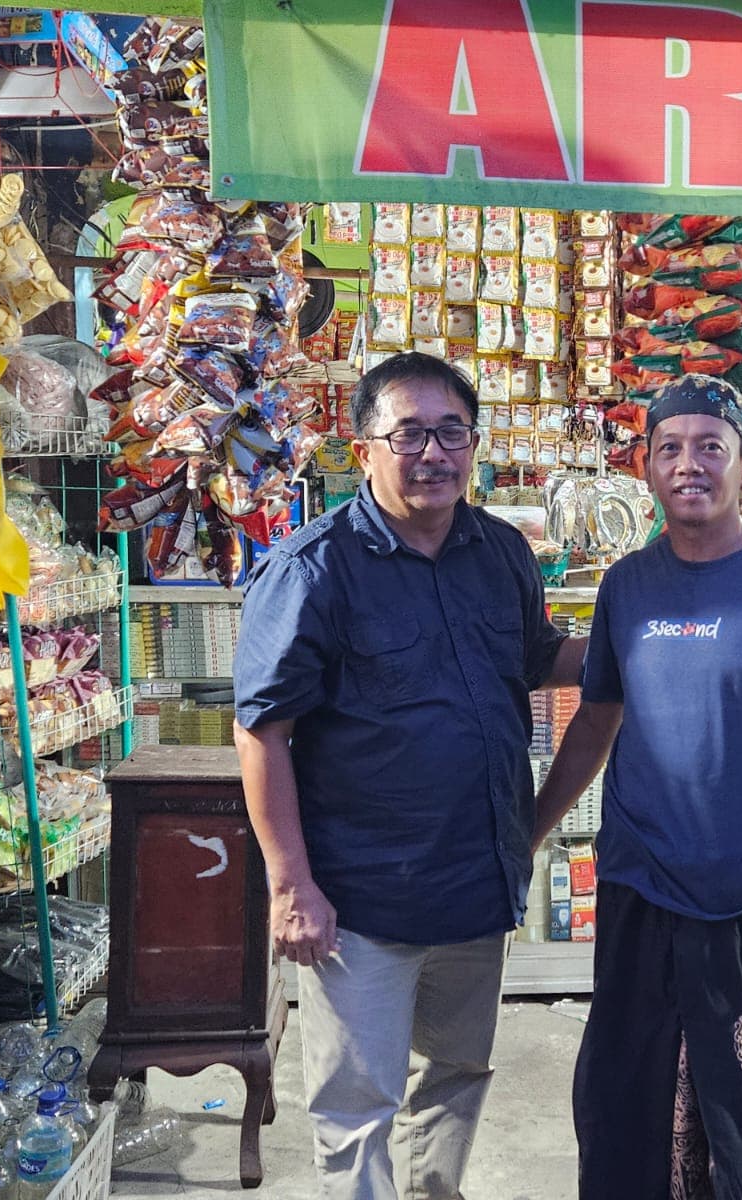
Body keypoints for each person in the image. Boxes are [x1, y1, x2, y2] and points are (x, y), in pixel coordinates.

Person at [232, 352, 585, 1200]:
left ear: (474, 443)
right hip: (363, 899)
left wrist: (646, 631)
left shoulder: (501, 551)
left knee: (458, 1073)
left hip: (473, 883)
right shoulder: (313, 569)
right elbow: (262, 733)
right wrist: (292, 888)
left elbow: (540, 661)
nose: (434, 453)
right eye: (410, 434)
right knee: (358, 1106)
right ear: (365, 451)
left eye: (452, 431)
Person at [533, 373, 742, 1199]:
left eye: (710, 447)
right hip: (638, 881)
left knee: (740, 1108)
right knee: (623, 1097)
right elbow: (596, 721)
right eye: (670, 448)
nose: (690, 465)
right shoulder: (628, 585)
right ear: (645, 466)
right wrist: (527, 834)